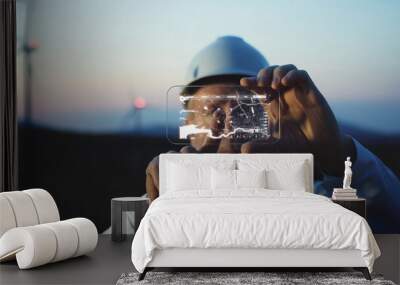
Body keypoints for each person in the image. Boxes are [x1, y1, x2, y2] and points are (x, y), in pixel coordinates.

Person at [146, 36, 400, 233]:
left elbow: (389, 220)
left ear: (269, 122)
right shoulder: (170, 193)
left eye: (245, 111)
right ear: (189, 123)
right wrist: (159, 201)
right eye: (212, 110)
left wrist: (334, 151)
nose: (229, 129)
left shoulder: (314, 203)